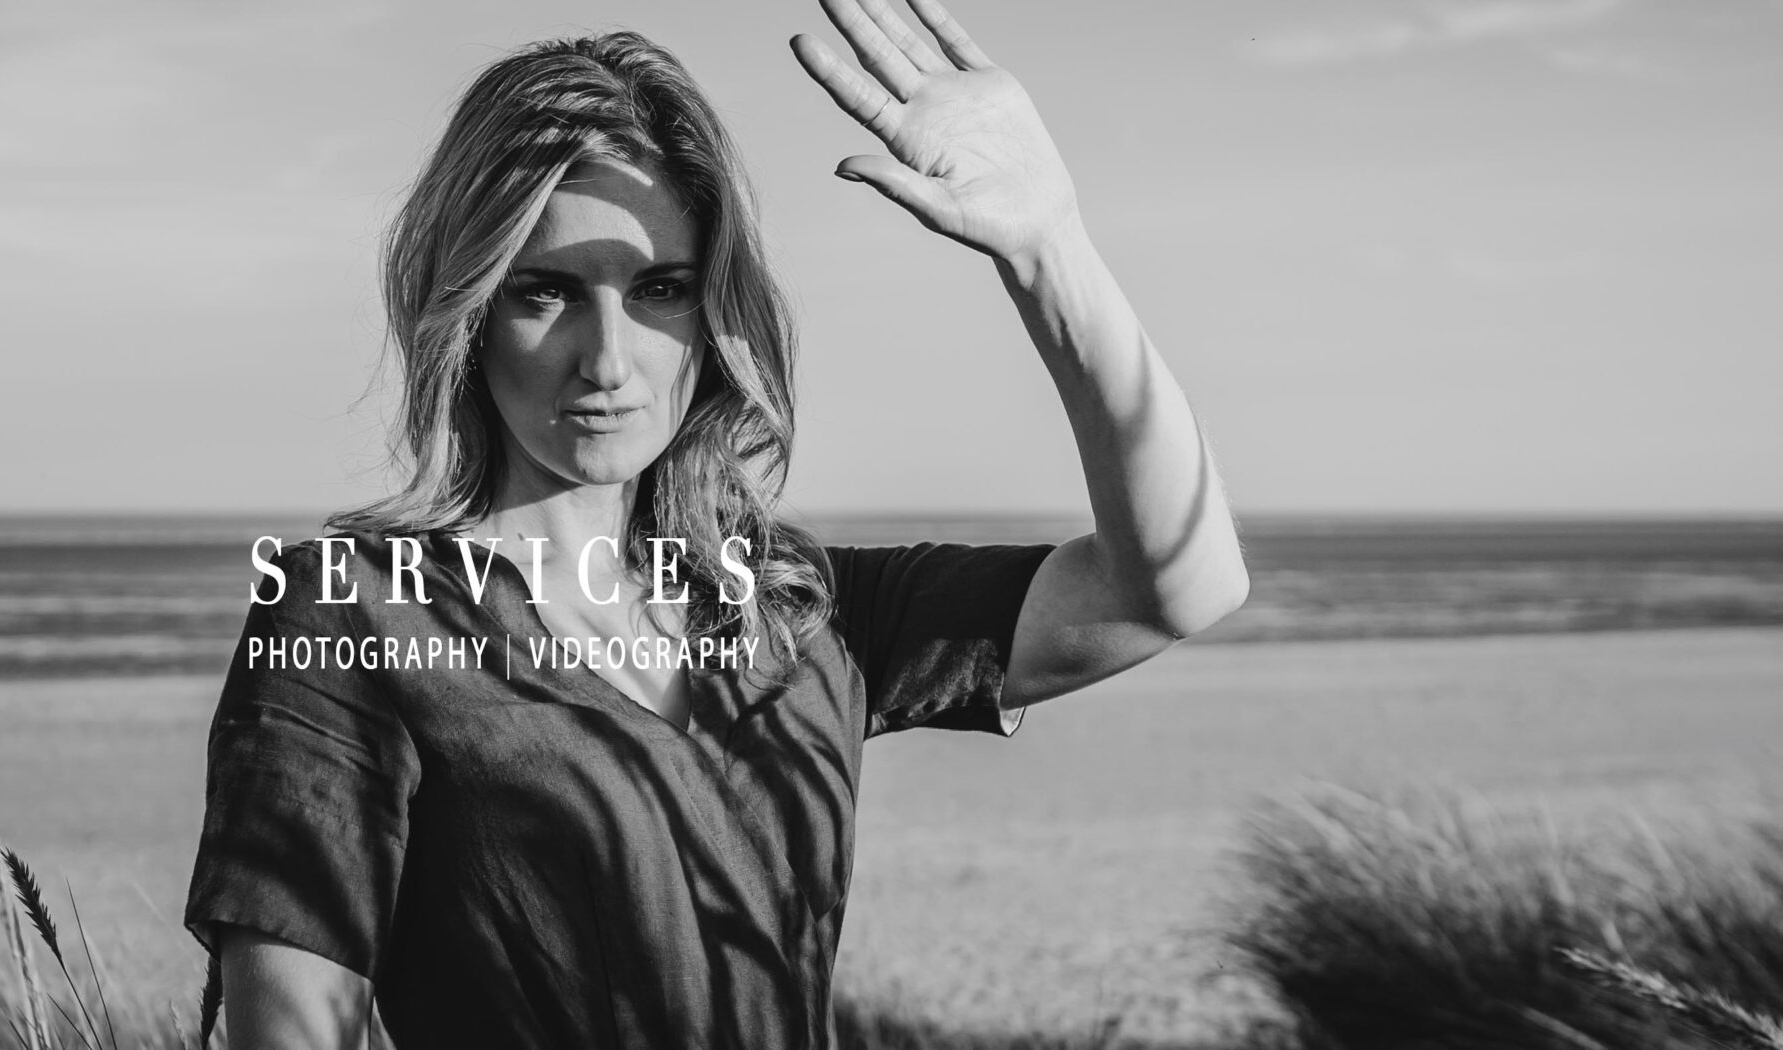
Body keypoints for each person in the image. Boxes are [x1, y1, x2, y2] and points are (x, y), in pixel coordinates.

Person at [183, 1, 1250, 1046]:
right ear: (467, 309)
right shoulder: (354, 610)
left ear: (715, 305)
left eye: (660, 288)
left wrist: (1049, 247)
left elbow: (1177, 586)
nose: (607, 361)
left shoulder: (798, 605)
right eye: (543, 291)